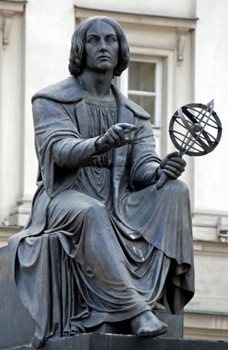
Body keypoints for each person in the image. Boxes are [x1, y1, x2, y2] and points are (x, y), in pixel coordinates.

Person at [9, 16, 194, 348]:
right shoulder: (50, 100)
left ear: (121, 49)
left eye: (111, 40)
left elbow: (142, 170)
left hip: (119, 201)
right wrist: (100, 143)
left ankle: (161, 304)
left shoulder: (135, 114)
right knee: (92, 212)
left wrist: (160, 172)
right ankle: (136, 312)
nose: (103, 47)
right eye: (94, 40)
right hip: (64, 197)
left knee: (176, 192)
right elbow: (58, 150)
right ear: (81, 50)